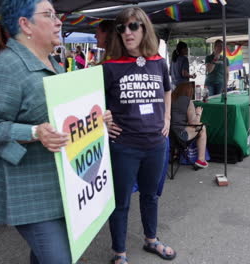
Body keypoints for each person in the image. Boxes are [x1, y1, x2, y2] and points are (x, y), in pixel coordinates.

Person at [0, 1, 113, 262]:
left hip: (59, 185)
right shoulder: (4, 67)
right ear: (25, 24)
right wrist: (35, 132)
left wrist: (93, 118)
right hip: (29, 192)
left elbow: (61, 117)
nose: (59, 21)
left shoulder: (53, 64)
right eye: (49, 15)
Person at [102, 7, 176, 264]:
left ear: (145, 29)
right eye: (121, 28)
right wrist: (105, 122)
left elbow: (167, 90)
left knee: (150, 196)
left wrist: (166, 118)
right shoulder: (109, 67)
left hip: (156, 143)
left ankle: (151, 240)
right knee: (121, 201)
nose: (127, 32)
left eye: (133, 26)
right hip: (124, 146)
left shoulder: (158, 61)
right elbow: (94, 104)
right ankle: (119, 253)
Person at [170, 82, 208, 168]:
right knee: (202, 127)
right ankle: (201, 160)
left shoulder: (170, 99)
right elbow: (194, 123)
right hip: (180, 136)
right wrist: (198, 113)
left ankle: (175, 154)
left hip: (168, 135)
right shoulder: (188, 101)